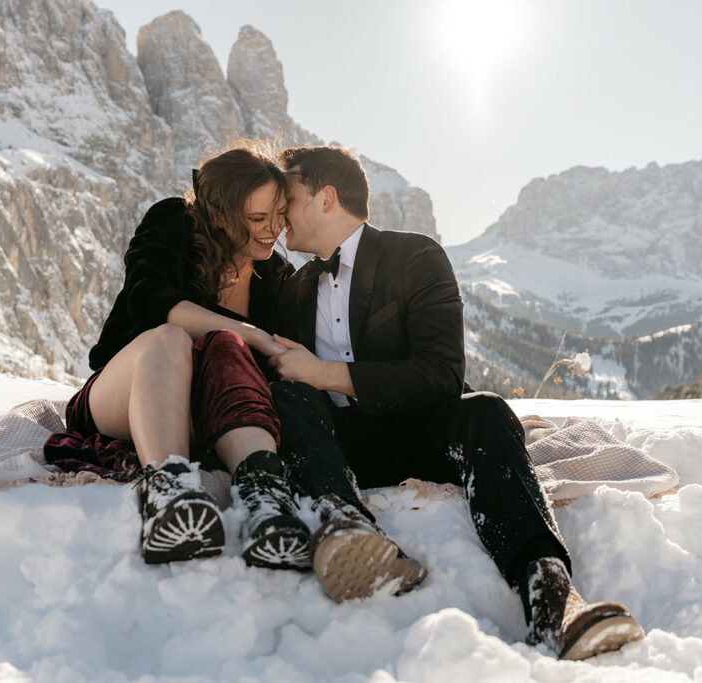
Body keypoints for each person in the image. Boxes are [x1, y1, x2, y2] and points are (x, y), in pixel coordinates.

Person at [267, 145, 645, 660]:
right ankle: (349, 530)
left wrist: (325, 373)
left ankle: (552, 595)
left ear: (326, 197)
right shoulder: (292, 289)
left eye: (287, 197)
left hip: (419, 434)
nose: (279, 212)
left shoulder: (415, 256)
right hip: (337, 449)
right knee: (286, 394)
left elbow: (442, 374)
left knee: (486, 409)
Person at [51, 141, 312, 571]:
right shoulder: (173, 220)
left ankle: (263, 496)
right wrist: (254, 335)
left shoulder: (277, 278)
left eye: (279, 215)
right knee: (171, 337)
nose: (273, 230)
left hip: (209, 416)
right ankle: (168, 491)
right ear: (222, 212)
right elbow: (150, 299)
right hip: (131, 392)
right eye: (257, 218)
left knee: (228, 348)